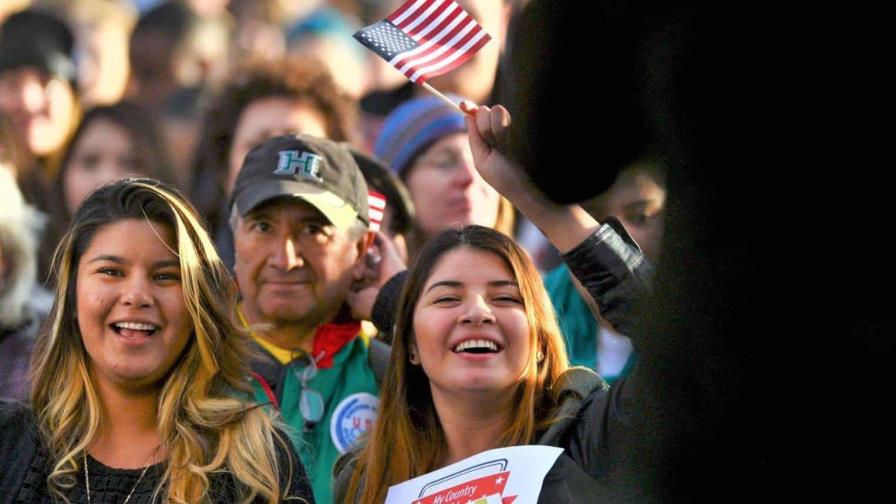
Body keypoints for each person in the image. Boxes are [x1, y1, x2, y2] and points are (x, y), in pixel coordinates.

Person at [334, 104, 654, 503]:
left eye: (505, 298)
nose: (477, 312)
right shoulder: (367, 478)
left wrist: (537, 199)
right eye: (448, 298)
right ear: (410, 345)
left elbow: (681, 345)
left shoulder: (594, 442)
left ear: (540, 339)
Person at [0, 178, 314, 503]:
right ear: (71, 297)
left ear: (197, 305)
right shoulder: (8, 444)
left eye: (165, 276)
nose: (136, 296)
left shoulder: (256, 460)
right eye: (111, 272)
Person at [229, 134, 389, 504]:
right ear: (234, 235)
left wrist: (396, 301)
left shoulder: (396, 378)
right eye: (263, 227)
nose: (285, 259)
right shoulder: (188, 366)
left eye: (312, 230)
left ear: (362, 248)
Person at [373, 95, 514, 260]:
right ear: (398, 187)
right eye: (444, 163)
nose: (468, 178)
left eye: (481, 162)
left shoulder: (541, 285)